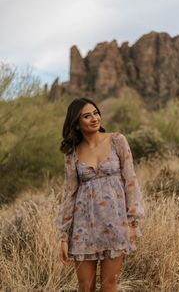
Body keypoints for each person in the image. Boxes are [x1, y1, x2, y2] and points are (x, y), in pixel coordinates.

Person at [55, 97, 145, 292]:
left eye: (96, 113)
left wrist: (132, 222)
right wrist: (63, 236)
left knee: (109, 285)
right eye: (87, 116)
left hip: (114, 223)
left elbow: (131, 181)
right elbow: (70, 193)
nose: (95, 118)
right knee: (84, 286)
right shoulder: (72, 153)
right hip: (83, 228)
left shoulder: (117, 140)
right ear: (77, 125)